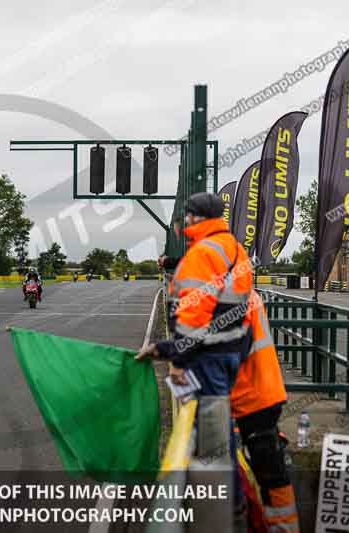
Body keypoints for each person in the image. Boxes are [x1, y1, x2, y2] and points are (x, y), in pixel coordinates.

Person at [136, 191, 253, 511]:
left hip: (207, 357)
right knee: (217, 424)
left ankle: (224, 504)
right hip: (228, 351)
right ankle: (227, 499)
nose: (184, 221)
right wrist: (163, 347)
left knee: (212, 430)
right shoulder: (235, 249)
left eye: (187, 215)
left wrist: (176, 359)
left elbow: (192, 318)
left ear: (197, 217)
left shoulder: (202, 254)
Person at [232, 291, 300, 533]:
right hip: (262, 393)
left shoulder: (228, 297)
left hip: (250, 399)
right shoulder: (246, 293)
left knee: (267, 474)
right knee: (271, 472)